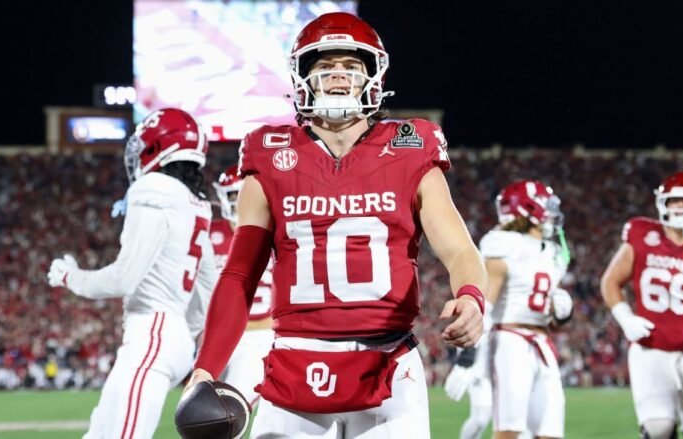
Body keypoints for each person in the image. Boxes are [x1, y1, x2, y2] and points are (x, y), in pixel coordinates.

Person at [185, 11, 487, 439]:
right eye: (325, 65)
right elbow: (239, 274)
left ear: (372, 77)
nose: (339, 74)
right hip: (294, 362)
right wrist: (205, 369)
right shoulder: (269, 154)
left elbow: (458, 249)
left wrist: (471, 296)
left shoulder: (410, 147)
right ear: (303, 79)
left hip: (388, 362)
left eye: (351, 65)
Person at [47, 108, 218, 439]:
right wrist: (186, 337)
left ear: (158, 146)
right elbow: (208, 289)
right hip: (171, 335)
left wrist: (71, 276)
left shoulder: (154, 188)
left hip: (152, 332)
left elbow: (124, 278)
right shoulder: (195, 204)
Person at [601, 170, 683, 439]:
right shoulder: (642, 234)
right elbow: (610, 281)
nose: (680, 207)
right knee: (658, 429)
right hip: (651, 349)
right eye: (674, 201)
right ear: (662, 204)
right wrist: (625, 317)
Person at [459, 180, 572, 439]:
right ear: (529, 209)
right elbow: (484, 306)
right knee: (509, 430)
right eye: (547, 206)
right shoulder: (504, 244)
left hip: (541, 342)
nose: (552, 214)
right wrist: (467, 356)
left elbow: (550, 320)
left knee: (550, 432)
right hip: (509, 342)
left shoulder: (550, 252)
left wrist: (563, 314)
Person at [210, 164, 275, 405]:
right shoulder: (209, 234)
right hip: (217, 337)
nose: (238, 201)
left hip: (259, 337)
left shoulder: (277, 229)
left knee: (226, 410)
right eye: (233, 195)